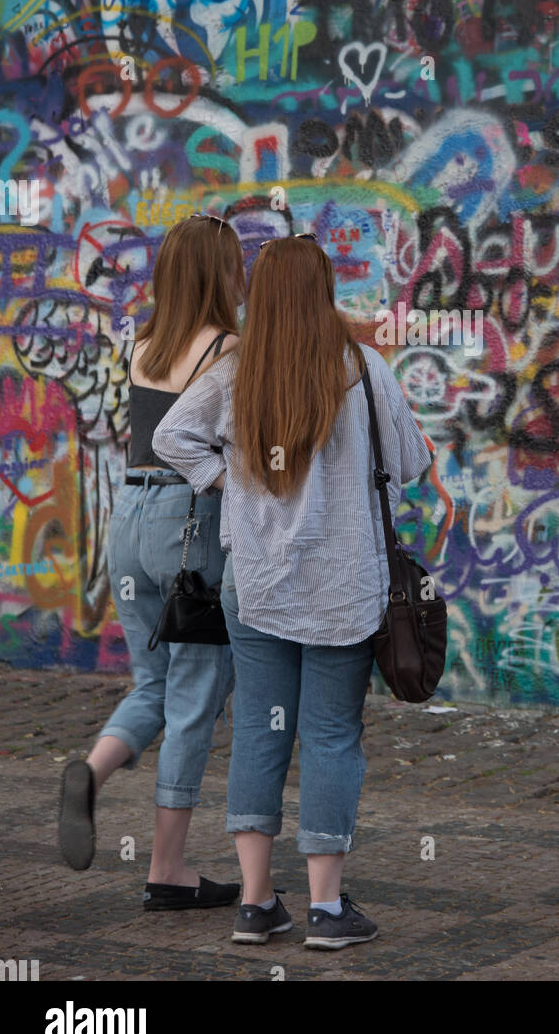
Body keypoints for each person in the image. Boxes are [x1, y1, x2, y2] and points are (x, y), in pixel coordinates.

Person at [152, 234, 433, 948]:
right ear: (324, 291)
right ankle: (326, 909)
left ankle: (254, 903)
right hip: (343, 588)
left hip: (259, 585)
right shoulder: (364, 370)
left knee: (257, 731)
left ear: (261, 294)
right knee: (332, 735)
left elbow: (171, 438)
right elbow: (406, 464)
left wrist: (234, 485)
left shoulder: (235, 371)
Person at [57, 214, 245, 914]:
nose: (244, 275)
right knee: (197, 692)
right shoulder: (227, 348)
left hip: (129, 523)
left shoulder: (143, 342)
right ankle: (167, 869)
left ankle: (94, 769)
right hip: (189, 528)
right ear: (216, 273)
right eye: (234, 264)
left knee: (156, 680)